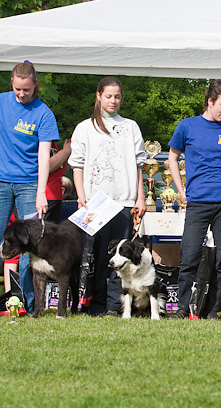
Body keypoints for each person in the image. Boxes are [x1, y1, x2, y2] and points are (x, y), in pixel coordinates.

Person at [0, 61, 60, 317]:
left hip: (30, 184)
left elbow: (44, 155)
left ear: (34, 86)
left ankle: (26, 304)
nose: (21, 94)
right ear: (12, 84)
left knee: (31, 245)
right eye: (18, 89)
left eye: (26, 90)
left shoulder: (43, 113)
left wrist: (41, 191)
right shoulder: (0, 102)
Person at [167, 80, 221, 319]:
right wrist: (180, 189)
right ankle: (183, 308)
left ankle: (213, 310)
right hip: (198, 201)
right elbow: (173, 157)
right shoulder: (187, 126)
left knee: (219, 258)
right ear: (210, 101)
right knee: (190, 255)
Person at [69, 76, 147, 316]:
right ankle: (92, 303)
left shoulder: (130, 126)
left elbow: (138, 164)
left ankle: (115, 306)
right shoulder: (84, 127)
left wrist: (140, 198)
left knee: (120, 260)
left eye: (117, 96)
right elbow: (77, 166)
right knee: (94, 257)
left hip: (123, 203)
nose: (113, 101)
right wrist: (82, 197)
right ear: (99, 96)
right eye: (109, 96)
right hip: (95, 204)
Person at [45, 139, 71, 222]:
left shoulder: (53, 143)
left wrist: (69, 153)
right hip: (45, 196)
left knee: (53, 232)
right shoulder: (42, 143)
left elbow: (62, 170)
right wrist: (65, 152)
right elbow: (46, 167)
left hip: (56, 196)